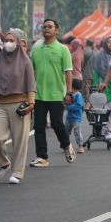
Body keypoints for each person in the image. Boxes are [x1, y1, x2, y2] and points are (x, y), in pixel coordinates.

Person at [0, 31, 36, 184]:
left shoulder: (25, 61)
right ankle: (3, 164)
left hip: (19, 104)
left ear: (17, 42)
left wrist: (31, 103)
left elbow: (31, 85)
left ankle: (17, 172)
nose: (8, 43)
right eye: (6, 40)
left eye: (11, 40)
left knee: (19, 140)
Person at [29, 19, 76, 167]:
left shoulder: (63, 49)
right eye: (44, 27)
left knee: (57, 124)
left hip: (56, 94)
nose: (46, 29)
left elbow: (68, 72)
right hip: (39, 94)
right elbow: (31, 73)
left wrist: (69, 92)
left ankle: (66, 144)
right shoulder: (36, 49)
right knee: (39, 126)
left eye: (50, 27)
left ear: (57, 31)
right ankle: (42, 157)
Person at [93, 36, 111, 140]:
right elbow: (96, 72)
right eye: (108, 42)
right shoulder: (99, 56)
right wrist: (95, 84)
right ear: (105, 44)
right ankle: (108, 131)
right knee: (107, 109)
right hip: (105, 86)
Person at [65, 79, 85, 154]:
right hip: (69, 117)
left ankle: (80, 146)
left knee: (77, 132)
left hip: (76, 118)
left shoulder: (78, 95)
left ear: (72, 86)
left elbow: (79, 106)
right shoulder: (70, 94)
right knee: (66, 131)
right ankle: (66, 145)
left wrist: (69, 107)